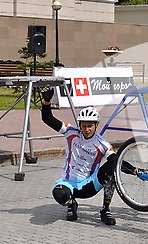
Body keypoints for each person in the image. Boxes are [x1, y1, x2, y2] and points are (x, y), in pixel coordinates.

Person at [40, 88, 117, 225]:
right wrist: (47, 102)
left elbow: (116, 161)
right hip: (69, 183)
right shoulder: (71, 132)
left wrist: (134, 170)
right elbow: (47, 119)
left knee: (113, 166)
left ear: (96, 125)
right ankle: (71, 204)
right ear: (79, 124)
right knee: (58, 194)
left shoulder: (102, 144)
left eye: (90, 126)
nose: (86, 130)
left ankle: (105, 210)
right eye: (84, 126)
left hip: (89, 184)